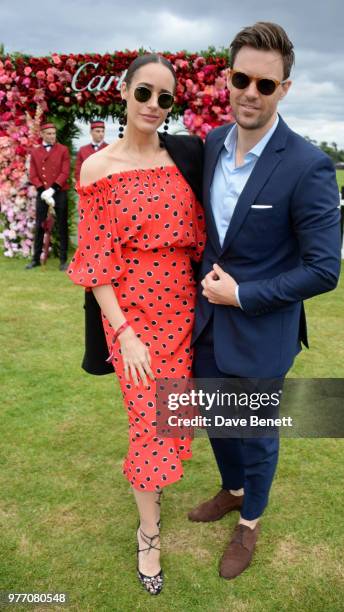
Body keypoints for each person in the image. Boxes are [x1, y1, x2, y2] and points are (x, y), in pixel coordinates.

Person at [190, 21, 341, 580]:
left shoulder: (307, 165)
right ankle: (232, 491)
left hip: (262, 330)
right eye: (241, 78)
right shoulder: (210, 145)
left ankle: (250, 522)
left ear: (284, 89)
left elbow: (324, 270)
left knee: (255, 432)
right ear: (227, 80)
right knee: (213, 420)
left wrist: (243, 294)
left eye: (266, 84)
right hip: (204, 325)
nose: (251, 92)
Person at [66, 54, 206, 596]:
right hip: (132, 318)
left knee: (172, 415)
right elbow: (95, 262)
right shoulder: (97, 168)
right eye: (144, 93)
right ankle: (149, 535)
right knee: (147, 421)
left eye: (164, 98)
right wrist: (122, 332)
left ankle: (155, 494)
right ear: (124, 93)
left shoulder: (184, 158)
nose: (153, 105)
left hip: (184, 311)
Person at [26, 121, 71, 271]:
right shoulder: (35, 152)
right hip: (42, 194)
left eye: (54, 133)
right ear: (42, 135)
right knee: (39, 225)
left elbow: (65, 172)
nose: (52, 136)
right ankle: (35, 259)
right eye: (49, 134)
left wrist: (52, 190)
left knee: (62, 226)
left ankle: (63, 260)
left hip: (59, 193)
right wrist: (43, 191)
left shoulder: (63, 150)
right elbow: (32, 175)